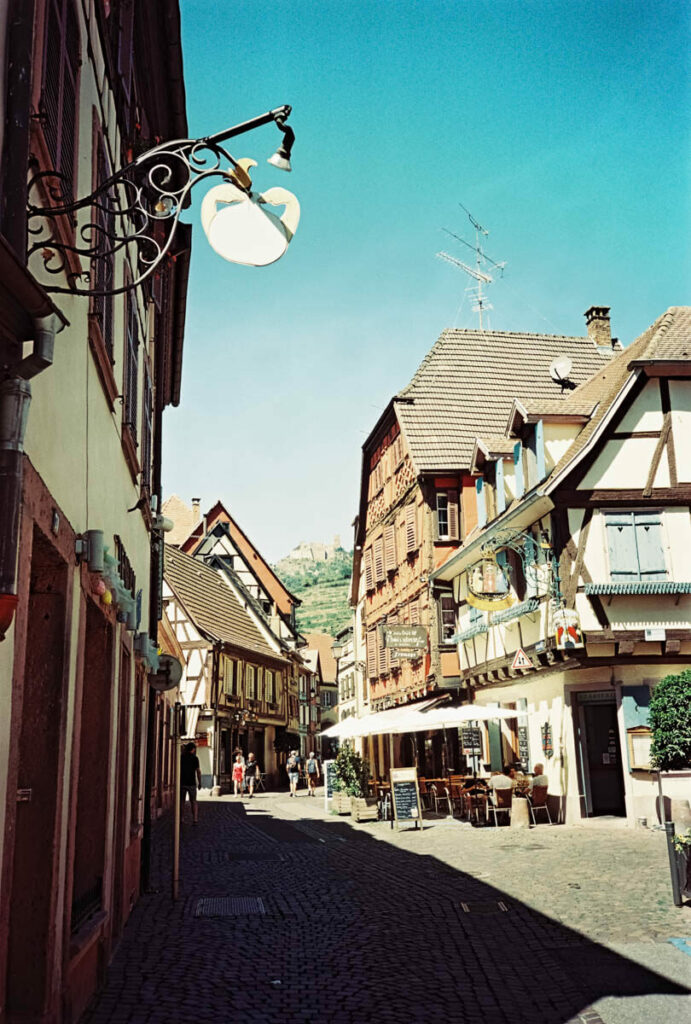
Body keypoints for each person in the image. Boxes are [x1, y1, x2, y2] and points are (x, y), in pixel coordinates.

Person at [180, 742, 202, 824]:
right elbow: (198, 771)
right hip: (192, 783)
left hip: (182, 782)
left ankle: (182, 818)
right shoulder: (195, 758)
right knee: (193, 801)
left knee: (182, 802)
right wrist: (200, 782)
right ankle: (195, 819)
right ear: (193, 749)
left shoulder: (181, 757)